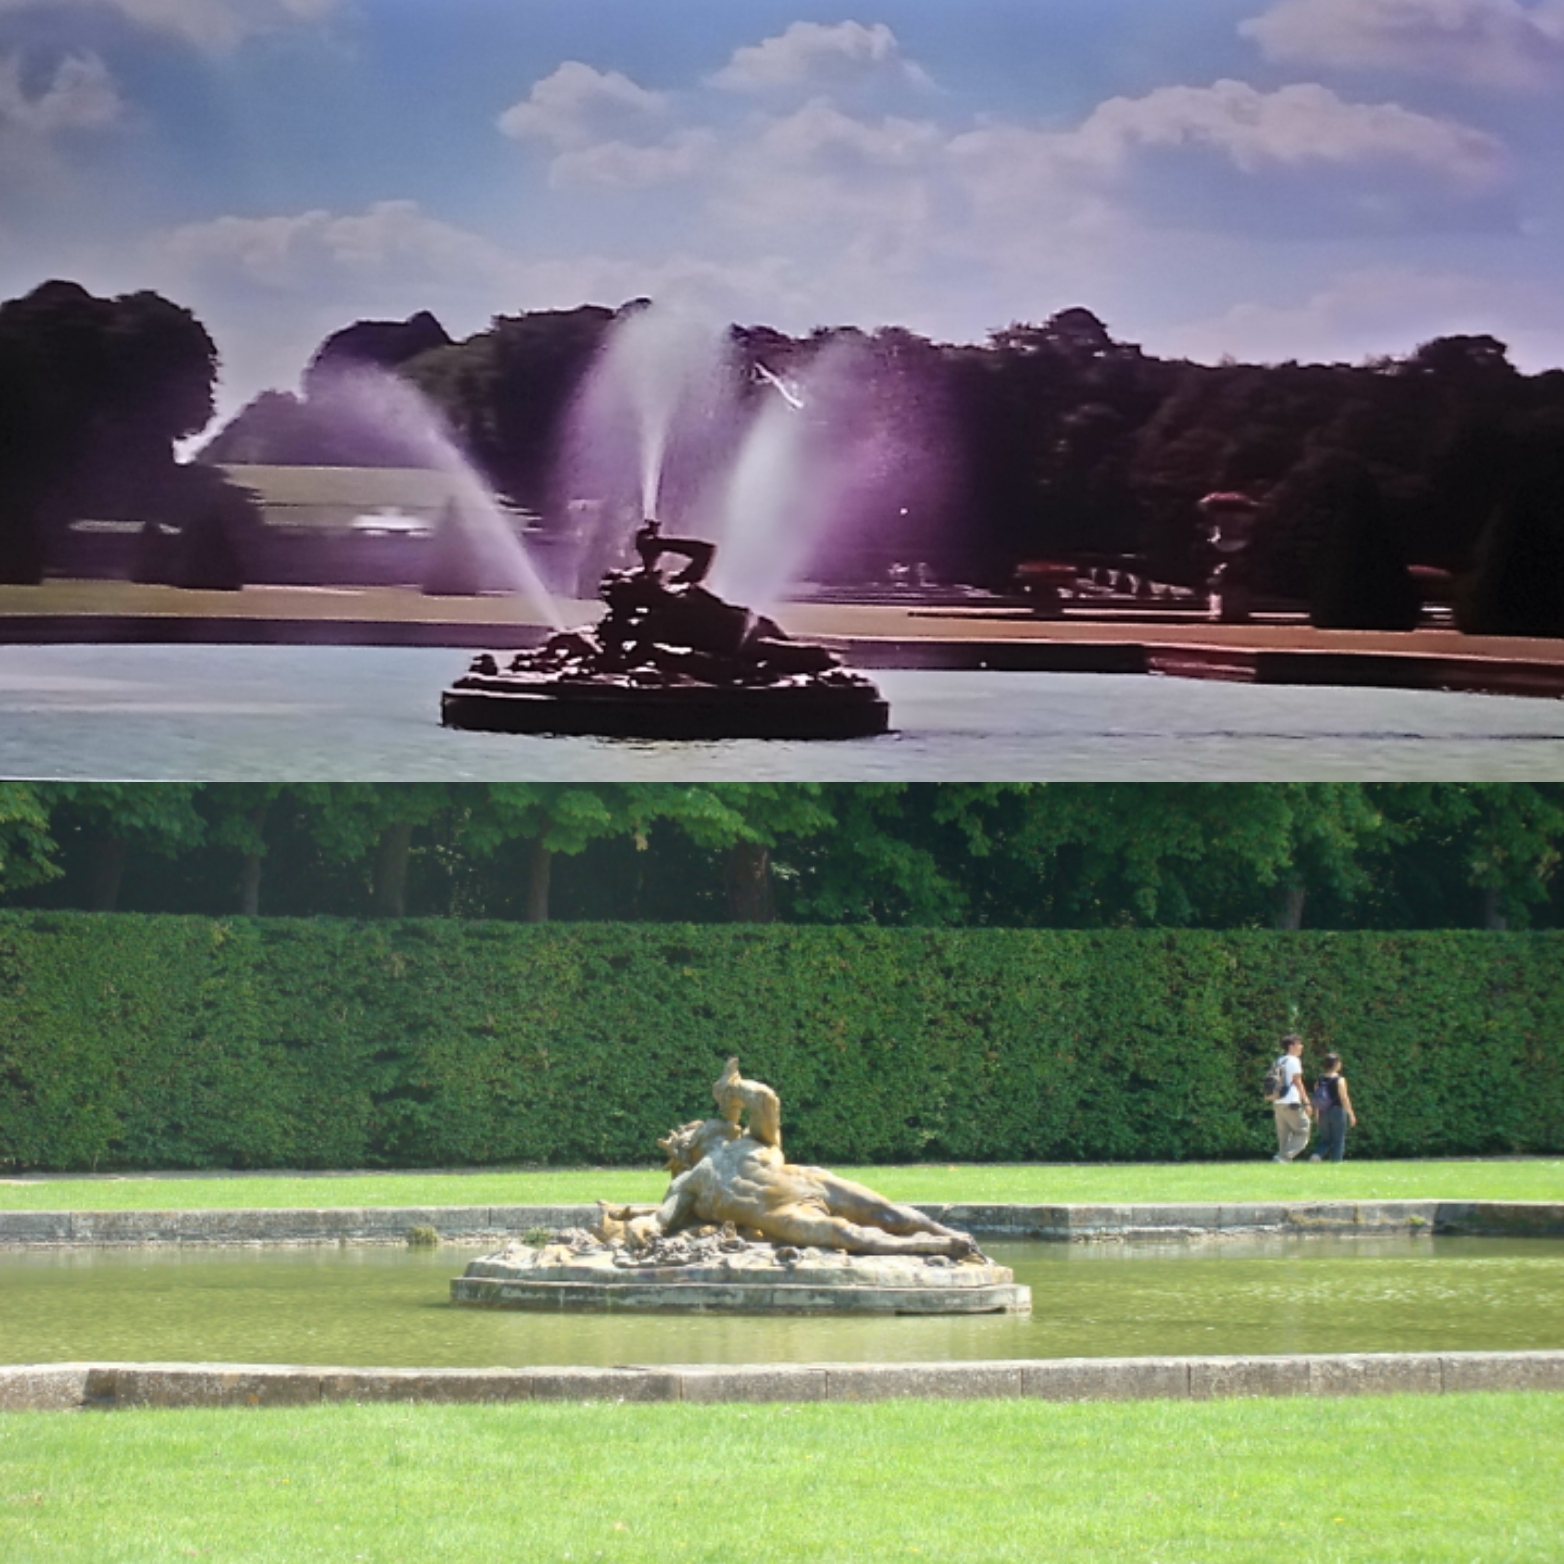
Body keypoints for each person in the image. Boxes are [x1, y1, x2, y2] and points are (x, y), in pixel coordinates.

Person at [1271, 1033, 1312, 1163]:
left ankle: (1282, 1160)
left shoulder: (1279, 1060)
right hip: (1291, 1101)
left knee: (1284, 1134)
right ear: (1291, 1046)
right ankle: (1284, 1157)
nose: (1301, 1046)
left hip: (1278, 1100)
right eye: (1299, 1044)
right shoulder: (1294, 1061)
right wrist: (1306, 1102)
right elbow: (1298, 1081)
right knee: (1303, 1129)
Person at [1310, 1051, 1357, 1163]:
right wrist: (1351, 1114)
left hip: (1323, 1111)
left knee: (1327, 1139)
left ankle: (1317, 1154)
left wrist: (1316, 1112)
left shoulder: (1320, 1079)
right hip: (1337, 1111)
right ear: (1336, 1064)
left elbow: (1316, 1096)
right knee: (1338, 1140)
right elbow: (1344, 1098)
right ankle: (1337, 1162)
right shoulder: (1340, 1079)